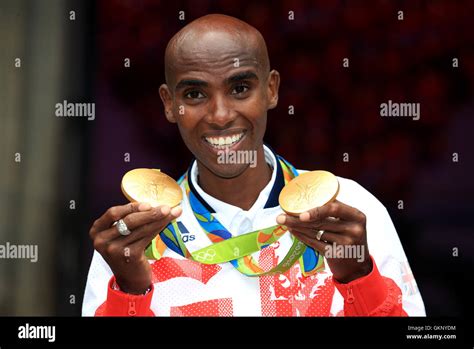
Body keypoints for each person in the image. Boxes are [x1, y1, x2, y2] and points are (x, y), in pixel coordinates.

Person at [82, 14, 425, 316]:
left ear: (271, 90)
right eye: (195, 95)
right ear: (170, 104)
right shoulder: (135, 236)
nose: (220, 115)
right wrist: (130, 294)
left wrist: (358, 278)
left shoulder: (349, 211)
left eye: (240, 88)